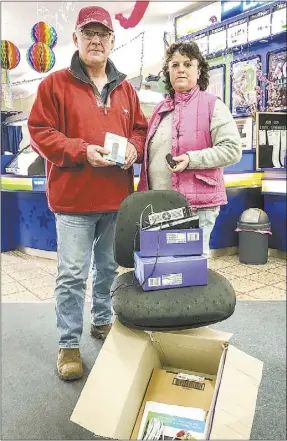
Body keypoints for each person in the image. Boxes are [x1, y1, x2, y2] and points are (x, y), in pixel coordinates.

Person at [28, 5, 147, 381]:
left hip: (116, 199)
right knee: (72, 274)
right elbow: (40, 132)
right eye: (88, 33)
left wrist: (133, 146)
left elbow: (141, 130)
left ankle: (100, 322)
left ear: (113, 41)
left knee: (108, 268)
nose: (96, 40)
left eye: (103, 34)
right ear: (76, 39)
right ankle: (68, 344)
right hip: (74, 201)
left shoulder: (126, 88)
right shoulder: (53, 85)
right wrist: (81, 151)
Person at [138, 42, 242, 255]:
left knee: (190, 270)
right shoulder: (161, 109)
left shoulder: (213, 105)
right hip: (159, 206)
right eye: (174, 65)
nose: (181, 69)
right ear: (168, 72)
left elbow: (232, 149)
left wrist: (191, 159)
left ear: (199, 69)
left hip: (196, 205)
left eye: (187, 64)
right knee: (162, 268)